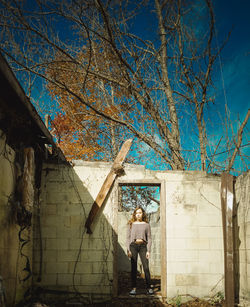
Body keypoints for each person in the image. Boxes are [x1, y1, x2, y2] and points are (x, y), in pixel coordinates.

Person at [126, 206, 154, 295]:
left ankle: (149, 288)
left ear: (142, 214)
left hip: (143, 247)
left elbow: (149, 238)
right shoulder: (131, 224)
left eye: (140, 213)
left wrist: (148, 250)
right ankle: (133, 288)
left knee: (146, 267)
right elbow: (128, 238)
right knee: (133, 268)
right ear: (135, 214)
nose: (138, 214)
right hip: (133, 246)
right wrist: (128, 250)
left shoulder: (146, 225)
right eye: (137, 213)